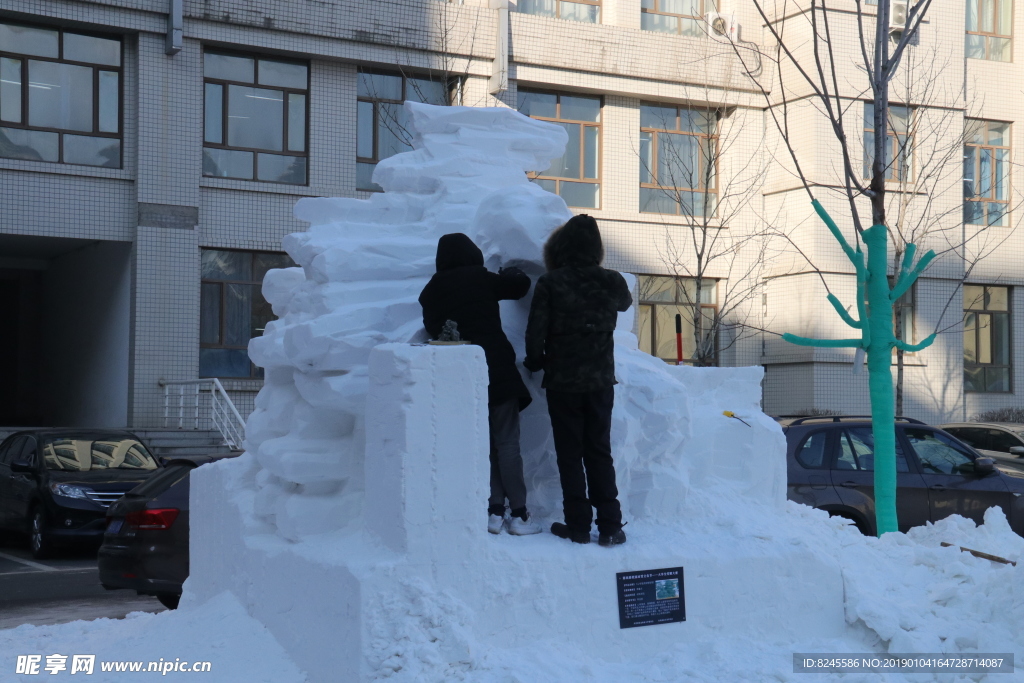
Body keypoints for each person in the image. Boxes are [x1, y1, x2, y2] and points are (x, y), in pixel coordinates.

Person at [418, 233, 543, 536]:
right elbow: (519, 286)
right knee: (508, 445)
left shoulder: (430, 292)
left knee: (486, 448)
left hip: (461, 380)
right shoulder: (478, 278)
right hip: (496, 370)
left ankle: (494, 511)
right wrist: (511, 272)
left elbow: (433, 330)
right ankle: (520, 515)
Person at [524, 215, 631, 547]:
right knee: (599, 451)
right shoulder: (611, 281)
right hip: (600, 381)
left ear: (562, 247)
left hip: (562, 382)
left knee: (569, 454)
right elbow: (626, 304)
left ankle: (579, 526)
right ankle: (611, 526)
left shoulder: (551, 283)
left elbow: (535, 331)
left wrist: (535, 361)